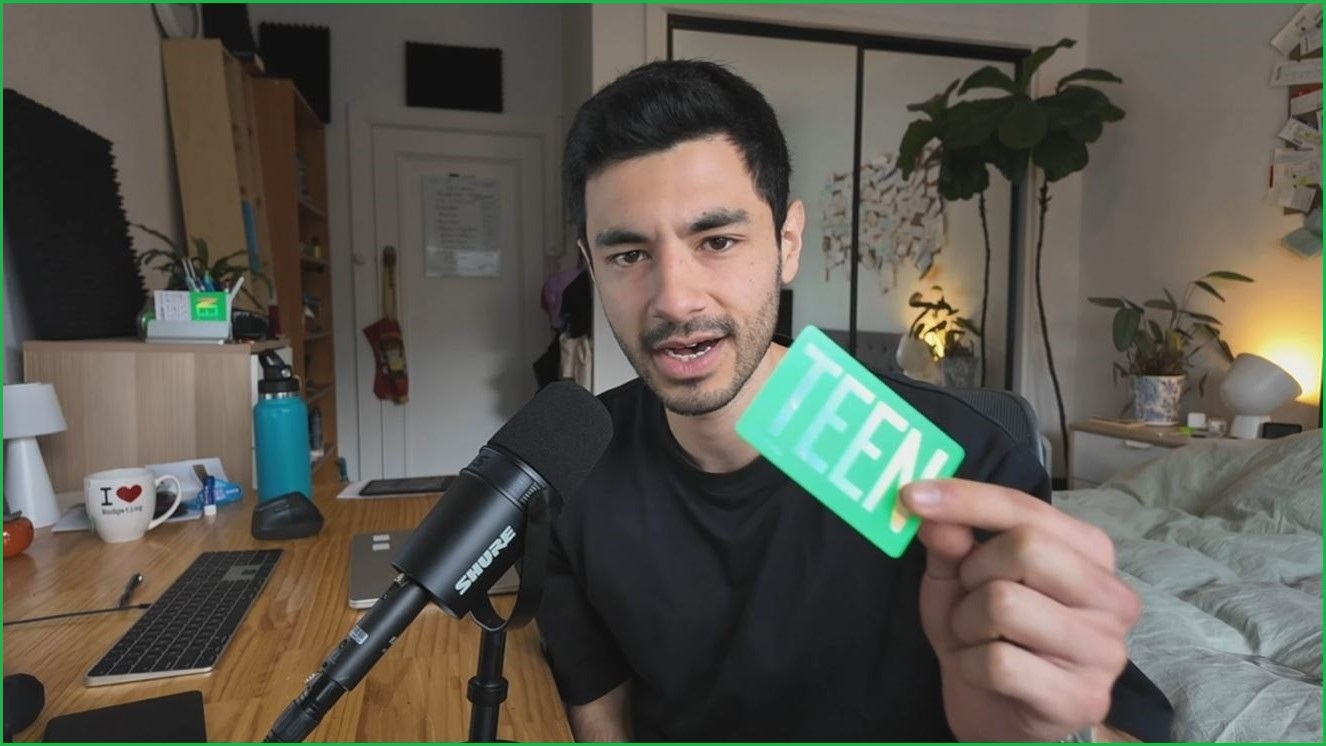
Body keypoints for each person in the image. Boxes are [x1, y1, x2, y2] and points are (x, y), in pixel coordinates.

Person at [536, 59, 1173, 742]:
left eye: (717, 241)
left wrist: (1045, 736)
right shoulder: (571, 467)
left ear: (787, 244)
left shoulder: (965, 467)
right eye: (629, 255)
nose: (675, 299)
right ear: (591, 264)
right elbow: (601, 719)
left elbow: (1118, 725)